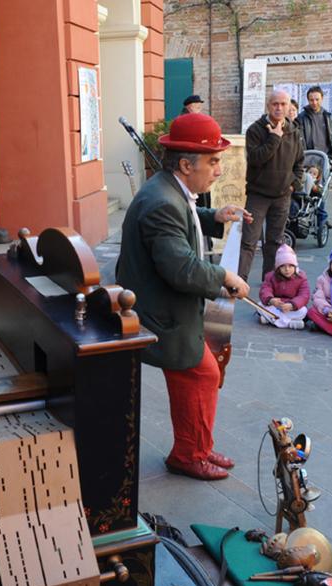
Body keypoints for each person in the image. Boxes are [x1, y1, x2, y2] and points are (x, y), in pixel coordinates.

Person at [116, 112, 251, 481]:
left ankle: (198, 448)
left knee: (205, 374)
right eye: (214, 161)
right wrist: (224, 276)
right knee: (200, 375)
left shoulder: (169, 188)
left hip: (168, 306)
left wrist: (214, 216)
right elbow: (183, 269)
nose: (219, 170)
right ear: (187, 164)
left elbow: (186, 217)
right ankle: (188, 454)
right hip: (159, 313)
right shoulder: (162, 201)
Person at [239, 89, 304, 281]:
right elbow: (256, 159)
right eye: (275, 104)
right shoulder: (255, 130)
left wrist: (294, 184)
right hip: (258, 195)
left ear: (288, 107)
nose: (279, 108)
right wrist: (274, 138)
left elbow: (300, 162)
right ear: (268, 106)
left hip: (282, 195)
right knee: (249, 241)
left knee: (275, 242)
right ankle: (239, 282)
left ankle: (269, 284)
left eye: (283, 104)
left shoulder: (294, 131)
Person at [296, 86, 332, 231]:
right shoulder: (302, 117)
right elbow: (300, 138)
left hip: (324, 158)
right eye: (311, 99)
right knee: (310, 189)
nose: (314, 102)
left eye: (317, 99)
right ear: (308, 100)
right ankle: (319, 217)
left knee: (321, 190)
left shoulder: (328, 116)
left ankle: (321, 218)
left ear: (322, 99)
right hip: (308, 158)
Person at [258, 244, 310, 329]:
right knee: (259, 305)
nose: (287, 269)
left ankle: (272, 320)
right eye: (283, 266)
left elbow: (304, 295)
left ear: (295, 266)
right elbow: (265, 290)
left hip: (291, 307)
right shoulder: (270, 276)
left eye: (290, 266)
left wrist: (292, 305)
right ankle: (290, 324)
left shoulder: (301, 277)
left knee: (303, 311)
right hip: (276, 306)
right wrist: (271, 300)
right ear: (278, 268)